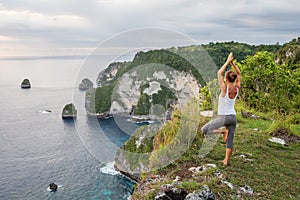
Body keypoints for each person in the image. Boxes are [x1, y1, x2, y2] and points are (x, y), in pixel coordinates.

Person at [201, 52, 241, 165]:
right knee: (230, 141)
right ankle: (226, 161)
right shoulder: (237, 88)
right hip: (233, 117)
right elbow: (239, 73)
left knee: (204, 130)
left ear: (226, 79)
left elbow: (219, 72)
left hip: (223, 117)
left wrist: (228, 62)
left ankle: (223, 131)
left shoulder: (224, 88)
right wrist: (233, 64)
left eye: (225, 77)